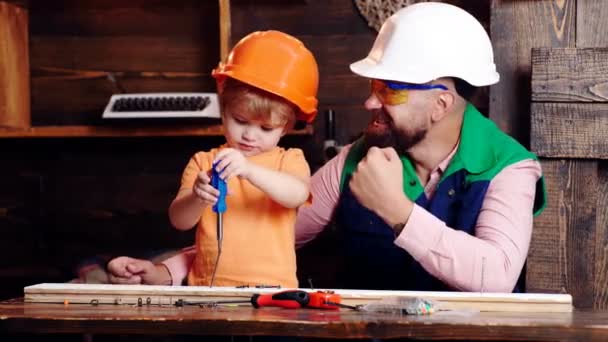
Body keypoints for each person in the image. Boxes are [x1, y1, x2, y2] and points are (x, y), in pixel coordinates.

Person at [108, 2, 546, 293]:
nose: (370, 102)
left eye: (389, 91)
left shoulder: (509, 168)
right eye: (373, 86)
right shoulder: (356, 158)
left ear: (441, 103)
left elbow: (496, 277)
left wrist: (397, 210)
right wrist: (170, 271)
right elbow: (267, 233)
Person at [108, 30, 319, 288]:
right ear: (224, 110)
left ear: (286, 127)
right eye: (240, 121)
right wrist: (197, 196)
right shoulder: (203, 162)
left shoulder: (290, 160)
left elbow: (296, 193)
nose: (250, 135)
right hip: (207, 290)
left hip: (273, 292)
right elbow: (180, 220)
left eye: (266, 129)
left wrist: (249, 170)